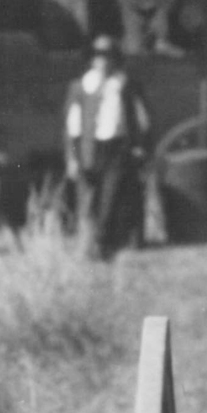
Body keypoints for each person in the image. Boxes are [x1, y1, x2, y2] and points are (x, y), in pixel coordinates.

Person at [64, 37, 151, 259]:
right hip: (90, 148)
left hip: (117, 147)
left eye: (107, 57)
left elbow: (139, 119)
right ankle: (89, 242)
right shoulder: (81, 86)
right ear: (91, 60)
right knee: (88, 201)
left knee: (110, 198)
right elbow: (72, 125)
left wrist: (139, 144)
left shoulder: (125, 85)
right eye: (98, 57)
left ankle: (103, 245)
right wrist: (72, 158)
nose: (102, 62)